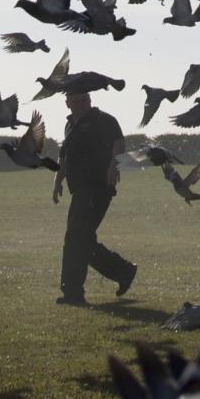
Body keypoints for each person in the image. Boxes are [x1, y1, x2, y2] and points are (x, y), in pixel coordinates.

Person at [53, 87, 136, 306]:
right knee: (82, 239)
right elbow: (64, 156)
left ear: (90, 100)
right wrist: (57, 181)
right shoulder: (70, 125)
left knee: (75, 238)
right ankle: (123, 271)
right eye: (75, 100)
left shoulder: (104, 120)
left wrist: (114, 164)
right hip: (79, 189)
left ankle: (72, 294)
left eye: (83, 99)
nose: (80, 104)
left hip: (98, 187)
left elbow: (119, 142)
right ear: (68, 104)